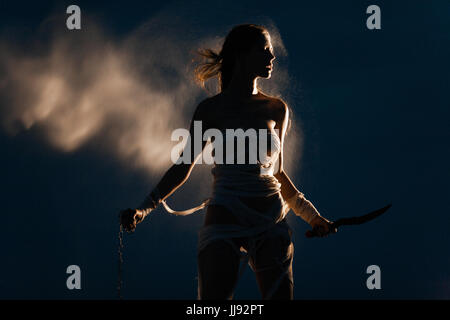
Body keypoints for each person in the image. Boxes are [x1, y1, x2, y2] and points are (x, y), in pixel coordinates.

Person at [120, 24, 334, 300]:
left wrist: (313, 216)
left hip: (270, 220)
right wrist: (143, 209)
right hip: (225, 220)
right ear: (243, 55)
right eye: (264, 50)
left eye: (271, 51)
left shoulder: (277, 109)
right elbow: (183, 166)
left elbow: (277, 173)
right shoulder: (210, 110)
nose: (272, 57)